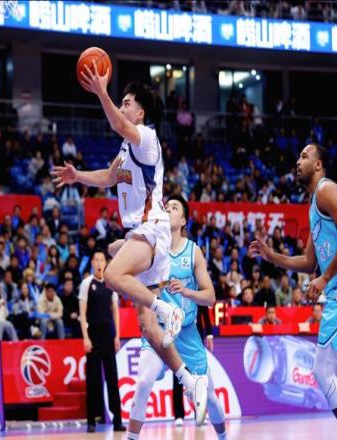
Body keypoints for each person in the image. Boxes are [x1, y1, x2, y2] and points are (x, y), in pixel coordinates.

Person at [52, 73, 207, 419]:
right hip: (141, 232)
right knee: (149, 329)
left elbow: (119, 125)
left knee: (112, 274)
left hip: (152, 228)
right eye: (120, 102)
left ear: (140, 113)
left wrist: (101, 92)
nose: (122, 107)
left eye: (127, 103)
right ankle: (189, 379)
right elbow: (109, 178)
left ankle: (168, 310)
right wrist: (77, 177)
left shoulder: (146, 138)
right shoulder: (126, 150)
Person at [249, 143, 337, 439]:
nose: (298, 161)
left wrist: (325, 279)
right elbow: (308, 262)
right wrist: (272, 257)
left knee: (320, 371)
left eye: (304, 156)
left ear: (318, 164)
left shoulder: (327, 190)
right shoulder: (314, 205)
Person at [127, 196, 228, 440]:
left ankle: (223, 437)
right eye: (167, 207)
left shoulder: (193, 252)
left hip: (187, 334)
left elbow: (210, 297)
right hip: (158, 330)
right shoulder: (152, 248)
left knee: (210, 397)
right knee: (143, 383)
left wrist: (186, 291)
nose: (169, 210)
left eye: (175, 208)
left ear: (183, 220)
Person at [78, 251, 125, 433]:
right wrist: (85, 337)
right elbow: (82, 313)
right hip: (93, 336)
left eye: (102, 260)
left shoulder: (111, 283)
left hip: (108, 336)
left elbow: (115, 312)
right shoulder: (86, 283)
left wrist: (117, 335)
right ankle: (91, 420)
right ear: (92, 263)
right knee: (93, 379)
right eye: (96, 260)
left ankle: (117, 420)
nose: (99, 263)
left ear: (105, 263)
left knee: (112, 378)